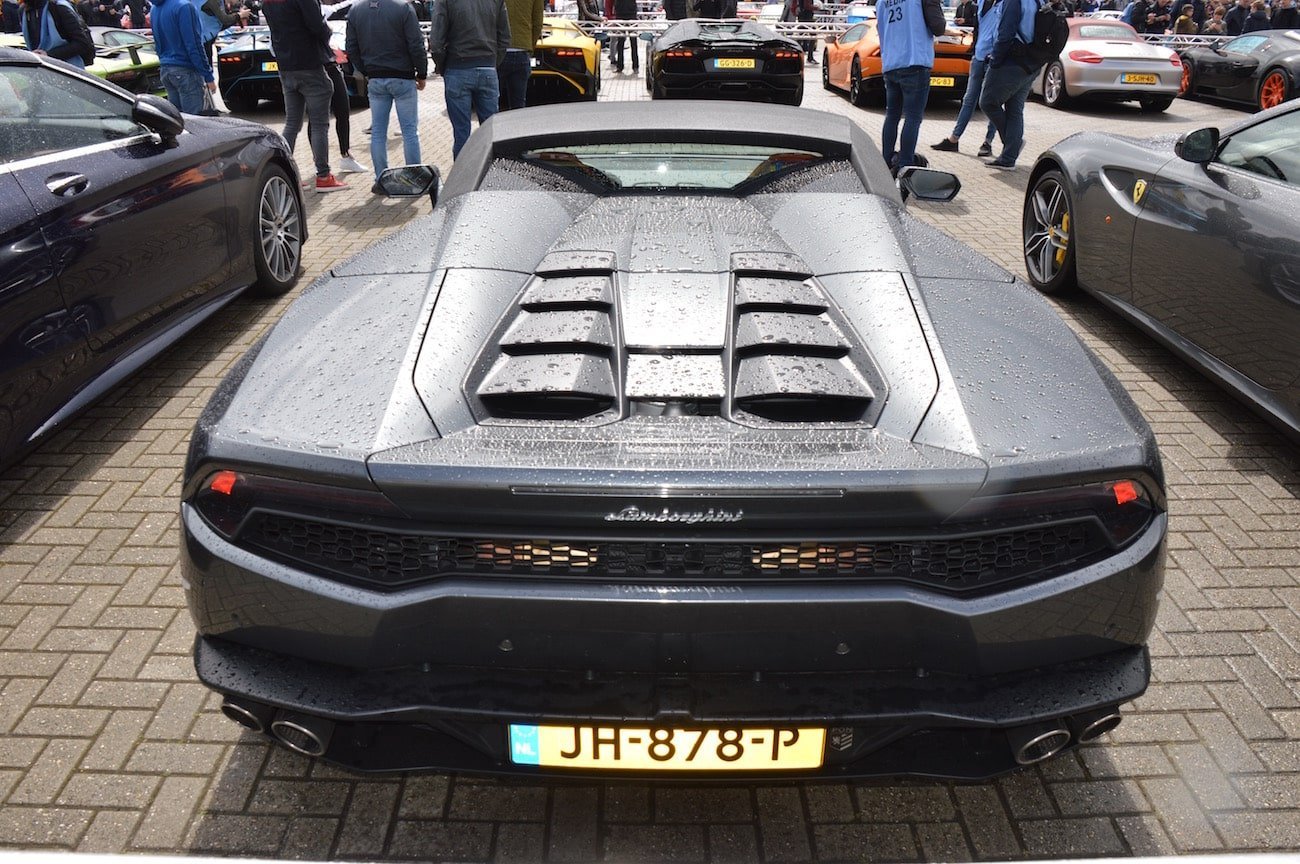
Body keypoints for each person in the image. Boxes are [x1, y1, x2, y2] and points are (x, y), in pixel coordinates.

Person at [264, 0, 347, 191]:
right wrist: (327, 32)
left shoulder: (267, 2)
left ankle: (285, 174)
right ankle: (323, 176)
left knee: (292, 123)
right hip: (309, 63)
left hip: (285, 65)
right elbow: (317, 26)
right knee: (319, 124)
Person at [347, 0, 426, 183]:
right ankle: (414, 177)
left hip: (375, 77)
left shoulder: (355, 10)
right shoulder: (403, 7)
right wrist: (421, 73)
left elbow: (351, 46)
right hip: (402, 76)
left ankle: (381, 178)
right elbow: (416, 44)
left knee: (378, 132)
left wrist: (365, 71)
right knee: (409, 131)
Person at [428, 0, 509, 158]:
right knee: (491, 133)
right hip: (487, 66)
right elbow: (504, 38)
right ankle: (493, 170)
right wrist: (492, 63)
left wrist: (443, 67)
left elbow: (436, 43)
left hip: (457, 67)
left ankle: (462, 172)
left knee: (461, 134)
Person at [876, 0, 946, 175]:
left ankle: (886, 162)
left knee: (892, 116)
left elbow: (880, 28)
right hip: (915, 60)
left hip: (891, 62)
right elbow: (938, 27)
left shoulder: (881, 1)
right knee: (913, 118)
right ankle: (905, 165)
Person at [979, 0, 1047, 169]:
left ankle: (1013, 145)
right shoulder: (1038, 1)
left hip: (1011, 62)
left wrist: (995, 60)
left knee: (987, 102)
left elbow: (1005, 33)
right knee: (1015, 109)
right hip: (1031, 63)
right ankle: (1008, 158)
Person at [931, 0, 999, 157]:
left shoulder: (1004, 4)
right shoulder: (981, 3)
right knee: (969, 99)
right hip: (979, 56)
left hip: (994, 59)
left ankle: (988, 142)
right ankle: (954, 139)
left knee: (992, 102)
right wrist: (974, 49)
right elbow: (979, 27)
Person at [152, 0, 214, 111]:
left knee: (176, 117)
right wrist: (208, 75)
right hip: (186, 71)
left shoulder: (154, 9)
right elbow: (194, 45)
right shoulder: (184, 7)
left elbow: (157, 43)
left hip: (166, 68)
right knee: (193, 118)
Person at [20, 0, 94, 67]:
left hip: (67, 70)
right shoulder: (23, 11)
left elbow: (82, 43)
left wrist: (49, 55)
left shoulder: (59, 7)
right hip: (40, 69)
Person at [498, 0, 542, 109]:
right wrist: (529, 47)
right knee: (518, 105)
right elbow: (537, 24)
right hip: (522, 50)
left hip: (500, 51)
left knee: (492, 103)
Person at [610, 0, 636, 71]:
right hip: (623, 12)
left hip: (626, 12)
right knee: (621, 42)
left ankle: (634, 65)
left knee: (632, 41)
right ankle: (621, 65)